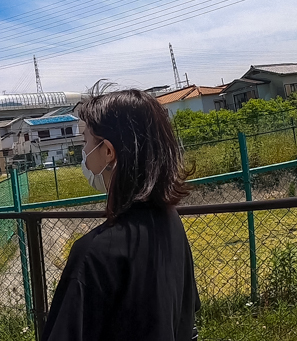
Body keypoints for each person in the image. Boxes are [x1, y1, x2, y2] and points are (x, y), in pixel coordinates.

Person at [42, 90, 200, 341]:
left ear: (108, 151)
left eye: (85, 140)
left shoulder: (94, 253)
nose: (84, 152)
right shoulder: (171, 221)